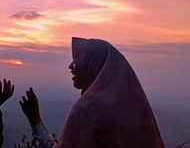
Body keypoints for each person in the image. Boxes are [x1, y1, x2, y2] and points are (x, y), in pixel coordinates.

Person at [20, 37, 165, 148]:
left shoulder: (86, 111)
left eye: (77, 60)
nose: (70, 66)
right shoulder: (130, 109)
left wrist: (35, 120)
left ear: (92, 64)